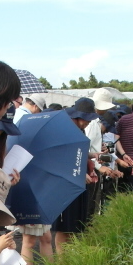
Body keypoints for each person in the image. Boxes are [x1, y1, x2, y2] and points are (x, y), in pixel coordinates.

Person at [52, 98, 99, 253]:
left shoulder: (79, 129)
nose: (88, 123)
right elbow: (61, 158)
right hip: (66, 185)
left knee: (74, 228)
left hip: (77, 184)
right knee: (64, 229)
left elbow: (78, 153)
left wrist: (91, 157)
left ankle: (68, 262)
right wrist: (79, 174)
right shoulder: (64, 129)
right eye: (87, 119)